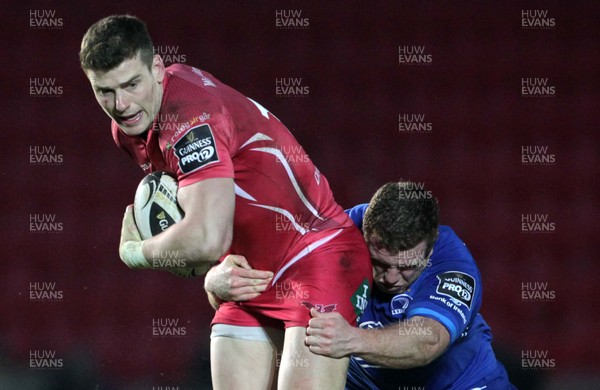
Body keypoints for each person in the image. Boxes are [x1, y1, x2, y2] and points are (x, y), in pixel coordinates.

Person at [79, 15, 372, 389]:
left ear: (156, 68)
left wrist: (137, 252)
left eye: (131, 84)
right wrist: (213, 273)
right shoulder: (129, 128)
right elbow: (207, 219)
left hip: (317, 255)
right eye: (104, 91)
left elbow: (205, 237)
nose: (121, 104)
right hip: (249, 277)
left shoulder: (190, 119)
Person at [205, 181, 515, 389]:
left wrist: (351, 340)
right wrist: (215, 280)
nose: (392, 278)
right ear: (363, 236)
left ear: (431, 246)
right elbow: (260, 275)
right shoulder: (334, 236)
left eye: (406, 267)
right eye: (379, 263)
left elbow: (427, 341)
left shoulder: (454, 265)